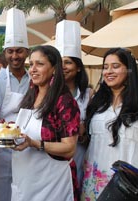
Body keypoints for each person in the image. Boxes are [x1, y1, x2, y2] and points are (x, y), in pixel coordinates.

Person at [81, 48, 138, 200]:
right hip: (94, 183)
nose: (108, 71)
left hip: (130, 188)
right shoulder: (97, 103)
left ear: (129, 70)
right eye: (105, 67)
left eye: (115, 66)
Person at [12, 45, 81, 201]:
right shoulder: (31, 96)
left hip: (53, 182)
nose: (32, 69)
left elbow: (69, 148)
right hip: (26, 180)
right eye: (31, 64)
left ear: (55, 69)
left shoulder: (64, 102)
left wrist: (34, 143)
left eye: (40, 64)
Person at [0, 8, 30, 201]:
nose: (15, 56)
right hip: (0, 151)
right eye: (10, 51)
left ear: (27, 52)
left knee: (23, 193)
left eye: (19, 51)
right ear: (5, 53)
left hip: (28, 146)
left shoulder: (34, 80)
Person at [55, 20, 94, 194]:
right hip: (53, 156)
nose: (63, 67)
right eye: (60, 62)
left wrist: (84, 129)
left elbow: (93, 128)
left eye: (68, 62)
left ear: (78, 67)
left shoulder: (88, 95)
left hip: (79, 155)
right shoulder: (49, 94)